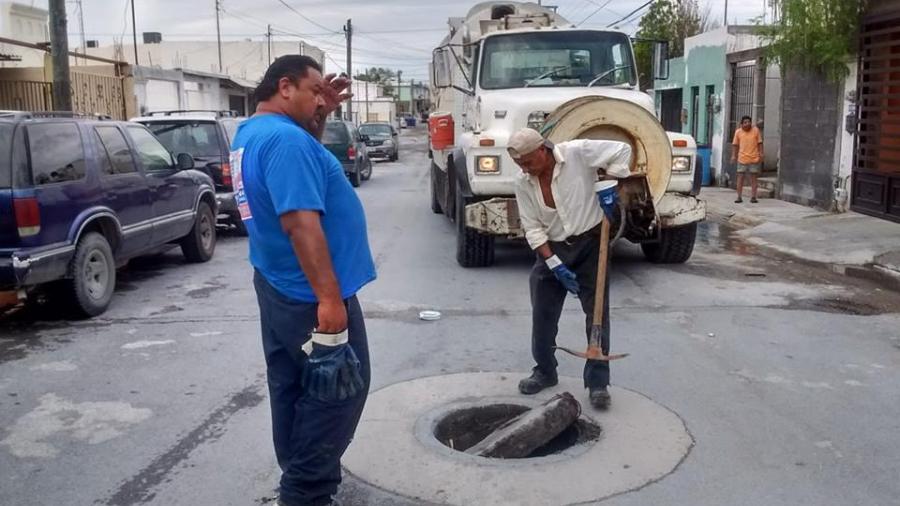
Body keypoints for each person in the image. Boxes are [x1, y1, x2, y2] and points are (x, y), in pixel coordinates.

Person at [230, 55, 375, 506]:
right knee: (339, 391)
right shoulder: (283, 141)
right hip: (309, 297)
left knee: (293, 385)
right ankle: (306, 491)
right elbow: (300, 224)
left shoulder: (253, 132)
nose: (322, 98)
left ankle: (297, 473)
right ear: (286, 86)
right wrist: (329, 300)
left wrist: (321, 115)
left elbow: (301, 158)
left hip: (279, 286)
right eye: (315, 91)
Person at [508, 128, 632, 410]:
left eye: (528, 162)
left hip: (591, 244)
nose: (525, 169)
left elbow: (622, 151)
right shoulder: (523, 182)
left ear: (542, 150)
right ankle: (545, 371)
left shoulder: (578, 152)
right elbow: (532, 227)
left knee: (598, 314)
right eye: (520, 165)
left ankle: (598, 383)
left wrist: (608, 184)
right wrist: (554, 263)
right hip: (552, 250)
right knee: (542, 314)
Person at [731, 115, 764, 203]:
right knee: (740, 178)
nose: (747, 124)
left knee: (753, 178)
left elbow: (760, 143)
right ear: (741, 124)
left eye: (749, 122)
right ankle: (739, 197)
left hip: (754, 158)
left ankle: (753, 197)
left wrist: (761, 154)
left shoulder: (755, 130)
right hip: (742, 159)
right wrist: (733, 156)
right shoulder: (738, 132)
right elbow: (735, 145)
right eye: (745, 122)